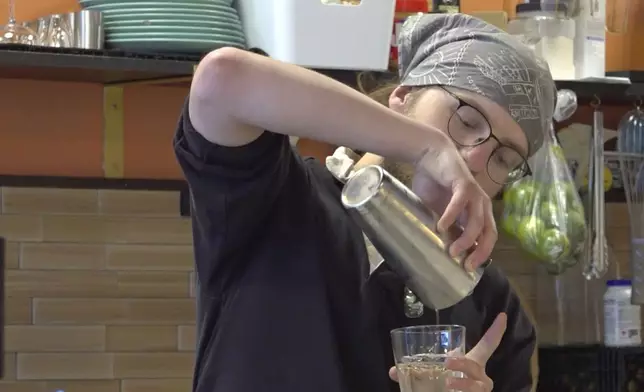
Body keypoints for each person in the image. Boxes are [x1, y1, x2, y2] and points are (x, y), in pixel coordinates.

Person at [174, 13, 554, 392]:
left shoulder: (491, 302)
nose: (475, 160)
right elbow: (222, 79)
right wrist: (427, 147)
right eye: (467, 121)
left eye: (503, 159)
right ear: (402, 101)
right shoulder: (277, 197)